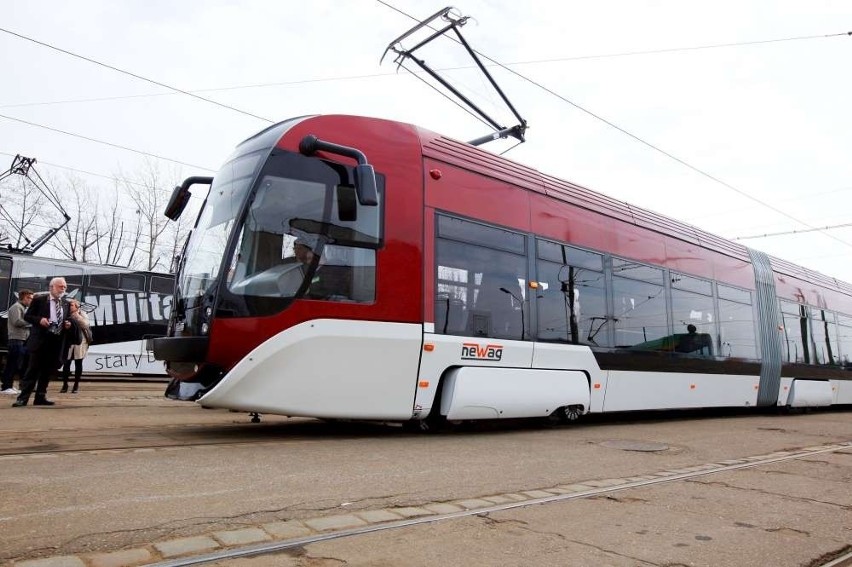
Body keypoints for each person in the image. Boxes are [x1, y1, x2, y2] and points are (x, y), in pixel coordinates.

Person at [12, 278, 74, 407]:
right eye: (60, 286)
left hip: (56, 341)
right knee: (32, 369)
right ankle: (23, 398)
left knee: (47, 371)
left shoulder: (65, 303)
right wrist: (39, 320)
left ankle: (40, 396)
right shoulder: (39, 300)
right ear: (52, 287)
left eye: (65, 287)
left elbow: (66, 318)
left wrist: (68, 323)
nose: (63, 289)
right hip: (40, 340)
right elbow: (27, 316)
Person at [1, 289, 34, 395]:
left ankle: (9, 385)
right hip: (16, 339)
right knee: (12, 363)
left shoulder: (22, 307)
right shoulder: (16, 307)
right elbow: (17, 321)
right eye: (30, 298)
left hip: (20, 339)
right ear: (24, 298)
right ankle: (6, 386)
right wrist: (31, 323)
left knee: (15, 363)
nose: (31, 301)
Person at [60, 300, 91, 394]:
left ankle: (76, 385)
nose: (70, 307)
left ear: (77, 307)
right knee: (66, 364)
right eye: (69, 305)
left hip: (80, 342)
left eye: (72, 305)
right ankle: (65, 384)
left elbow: (85, 325)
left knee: (78, 363)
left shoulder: (82, 314)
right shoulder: (65, 313)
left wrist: (76, 316)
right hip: (68, 342)